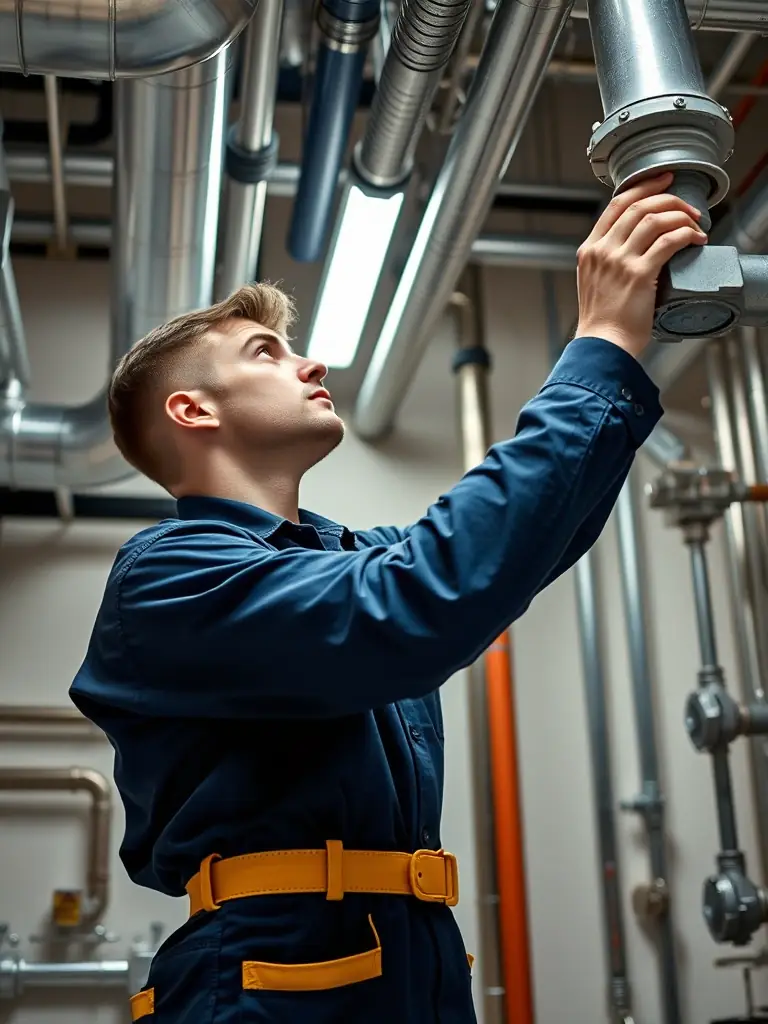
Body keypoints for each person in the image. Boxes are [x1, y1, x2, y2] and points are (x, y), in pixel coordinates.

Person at [70, 172, 706, 1024]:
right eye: (267, 352)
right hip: (275, 978)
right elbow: (422, 596)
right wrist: (595, 344)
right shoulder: (171, 575)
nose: (310, 362)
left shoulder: (344, 558)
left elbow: (522, 544)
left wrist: (623, 349)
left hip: (407, 964)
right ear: (191, 409)